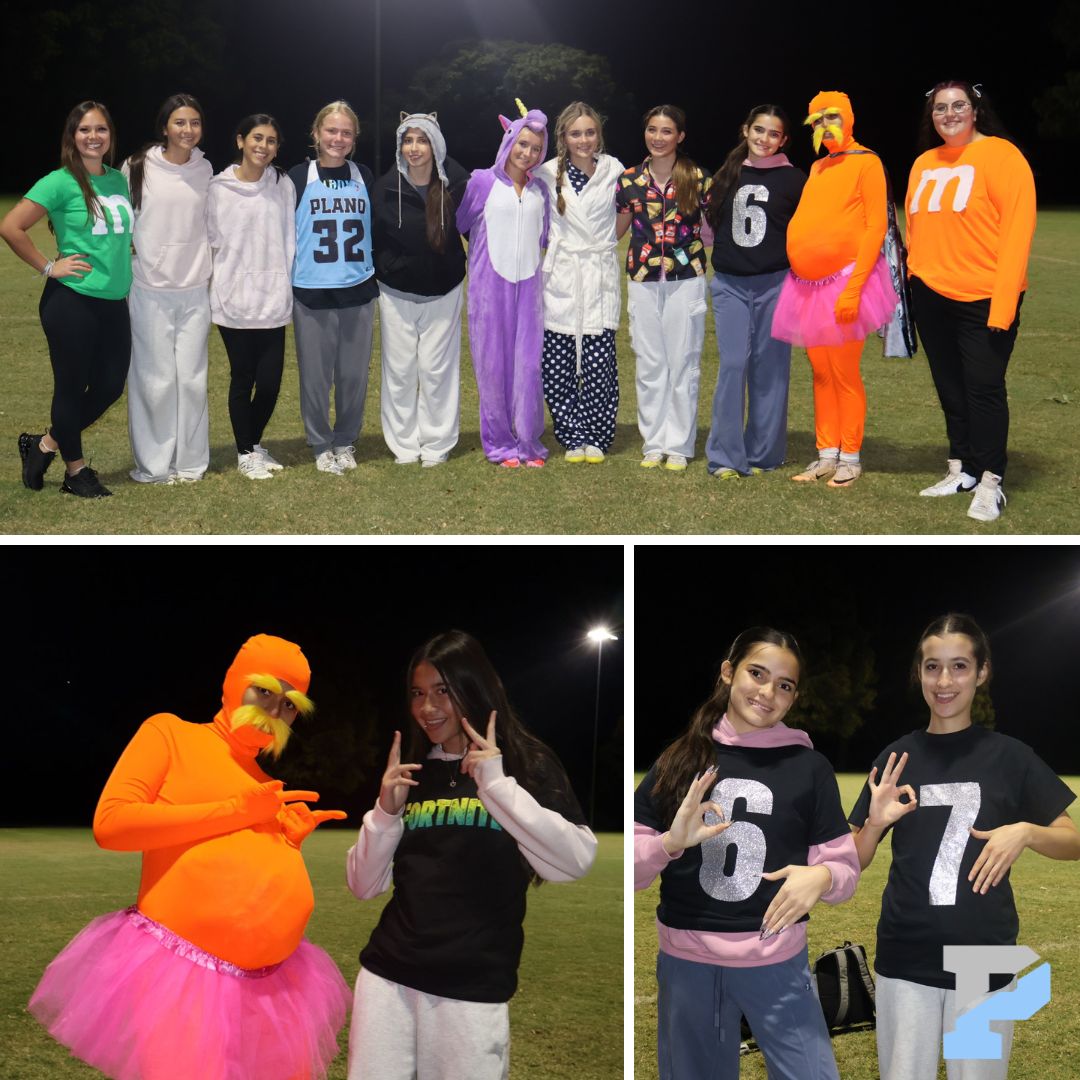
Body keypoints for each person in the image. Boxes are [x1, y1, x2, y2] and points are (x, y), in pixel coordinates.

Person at [28, 633, 351, 1080]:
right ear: (234, 682)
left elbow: (241, 862)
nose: (275, 712)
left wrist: (287, 841)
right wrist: (237, 810)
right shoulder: (171, 734)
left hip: (276, 987)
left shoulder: (263, 781)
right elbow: (112, 824)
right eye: (264, 691)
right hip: (182, 979)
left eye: (290, 703)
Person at [345, 629, 596, 1080]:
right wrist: (385, 812)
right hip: (388, 978)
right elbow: (363, 886)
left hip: (471, 988)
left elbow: (575, 861)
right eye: (418, 693)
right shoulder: (413, 776)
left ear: (474, 687)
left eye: (443, 691)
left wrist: (497, 786)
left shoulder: (525, 765)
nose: (427, 708)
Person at [849, 613, 1079, 1080]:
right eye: (932, 667)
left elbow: (1073, 840)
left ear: (982, 671)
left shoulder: (1011, 757)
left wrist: (1027, 832)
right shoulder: (897, 757)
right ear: (919, 674)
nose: (944, 680)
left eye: (958, 666)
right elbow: (852, 859)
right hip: (905, 955)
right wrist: (872, 826)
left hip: (985, 960)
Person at [634, 627, 859, 1079]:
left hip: (776, 964)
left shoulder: (809, 768)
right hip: (688, 963)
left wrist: (824, 877)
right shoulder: (681, 759)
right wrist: (669, 844)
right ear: (727, 672)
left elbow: (843, 866)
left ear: (794, 697)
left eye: (784, 685)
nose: (767, 692)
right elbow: (632, 870)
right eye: (756, 673)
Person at [906, 82, 1036, 523]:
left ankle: (991, 481)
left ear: (975, 110)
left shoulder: (1003, 155)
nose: (949, 113)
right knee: (950, 389)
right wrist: (913, 282)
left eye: (958, 105)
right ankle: (961, 469)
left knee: (983, 390)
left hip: (984, 296)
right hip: (931, 295)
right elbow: (916, 230)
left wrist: (1003, 305)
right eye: (940, 108)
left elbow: (1018, 233)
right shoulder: (924, 162)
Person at [2, 100, 133, 499]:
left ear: (110, 136)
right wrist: (47, 267)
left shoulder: (117, 180)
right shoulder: (58, 181)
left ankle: (44, 445)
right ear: (72, 137)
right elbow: (11, 226)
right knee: (72, 387)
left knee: (110, 385)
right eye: (85, 130)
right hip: (71, 300)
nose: (93, 137)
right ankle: (75, 473)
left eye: (101, 130)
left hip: (114, 299)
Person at [772, 90, 897, 487]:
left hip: (846, 284)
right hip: (808, 286)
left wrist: (854, 289)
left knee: (844, 373)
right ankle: (826, 454)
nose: (826, 127)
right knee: (821, 373)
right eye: (818, 121)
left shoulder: (868, 162)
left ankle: (851, 457)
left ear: (849, 119)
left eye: (833, 118)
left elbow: (876, 226)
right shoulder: (819, 167)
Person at [703, 106, 806, 479]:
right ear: (745, 130)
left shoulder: (795, 179)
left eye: (773, 133)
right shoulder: (727, 174)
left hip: (776, 285)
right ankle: (726, 456)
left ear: (784, 140)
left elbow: (807, 233)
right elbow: (709, 227)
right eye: (758, 130)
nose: (764, 138)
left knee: (771, 369)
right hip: (730, 285)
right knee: (733, 365)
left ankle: (764, 454)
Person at [123, 93, 213, 484]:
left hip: (195, 289)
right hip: (149, 289)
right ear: (164, 127)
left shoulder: (206, 169)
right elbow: (119, 219)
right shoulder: (138, 166)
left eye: (194, 122)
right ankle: (155, 465)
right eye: (179, 122)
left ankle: (191, 463)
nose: (187, 130)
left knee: (192, 380)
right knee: (154, 380)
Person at [615, 105, 711, 471]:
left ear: (680, 136)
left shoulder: (698, 177)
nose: (658, 137)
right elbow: (617, 230)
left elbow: (713, 228)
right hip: (642, 280)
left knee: (683, 362)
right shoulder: (629, 180)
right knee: (650, 362)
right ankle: (654, 442)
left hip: (686, 281)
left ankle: (680, 445)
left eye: (666, 131)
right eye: (652, 129)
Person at [456, 100, 550, 468]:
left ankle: (528, 441)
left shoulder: (540, 190)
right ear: (509, 140)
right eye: (522, 144)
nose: (527, 153)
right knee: (493, 368)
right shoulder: (481, 181)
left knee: (528, 367)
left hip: (528, 289)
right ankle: (499, 443)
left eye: (536, 149)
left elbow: (543, 238)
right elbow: (463, 223)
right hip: (489, 290)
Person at [372, 112, 468, 467]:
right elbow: (374, 239)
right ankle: (403, 445)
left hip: (444, 290)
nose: (414, 148)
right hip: (396, 292)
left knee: (436, 370)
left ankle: (436, 443)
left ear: (435, 145)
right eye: (408, 140)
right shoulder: (385, 187)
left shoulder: (455, 183)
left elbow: (476, 231)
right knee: (399, 371)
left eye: (423, 140)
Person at [289, 100, 378, 476]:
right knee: (315, 375)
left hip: (357, 286)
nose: (338, 138)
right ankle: (320, 443)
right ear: (316, 133)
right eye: (331, 131)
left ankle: (345, 439)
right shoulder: (296, 176)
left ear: (354, 138)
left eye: (346, 132)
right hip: (312, 289)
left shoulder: (364, 176)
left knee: (353, 375)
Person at [207, 113, 297, 480]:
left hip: (273, 297)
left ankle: (252, 443)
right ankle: (245, 453)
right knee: (243, 378)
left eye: (271, 140)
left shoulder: (283, 185)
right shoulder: (217, 188)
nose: (263, 146)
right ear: (240, 141)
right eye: (257, 138)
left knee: (272, 382)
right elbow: (211, 243)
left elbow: (289, 238)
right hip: (234, 298)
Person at [534, 102, 624, 464]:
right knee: (558, 365)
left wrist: (603, 246)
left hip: (598, 271)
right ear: (563, 137)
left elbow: (626, 213)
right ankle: (571, 435)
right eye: (575, 133)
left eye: (589, 132)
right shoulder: (546, 173)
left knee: (599, 363)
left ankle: (598, 436)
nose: (583, 139)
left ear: (598, 134)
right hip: (563, 277)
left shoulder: (614, 170)